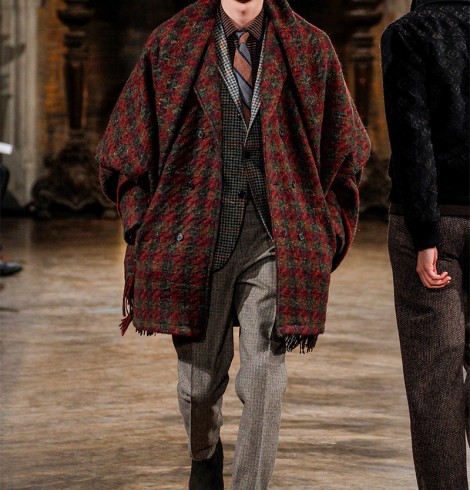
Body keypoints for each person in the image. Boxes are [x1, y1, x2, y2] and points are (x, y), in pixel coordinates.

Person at [97, 0, 370, 487]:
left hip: (275, 238)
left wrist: (323, 231)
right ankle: (204, 455)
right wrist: (142, 227)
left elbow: (347, 149)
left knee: (265, 380)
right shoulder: (172, 44)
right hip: (194, 240)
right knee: (198, 387)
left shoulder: (310, 47)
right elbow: (125, 149)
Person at [382, 0, 469, 488]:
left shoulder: (408, 33)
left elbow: (412, 136)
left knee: (434, 380)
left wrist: (424, 233)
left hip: (434, 221)